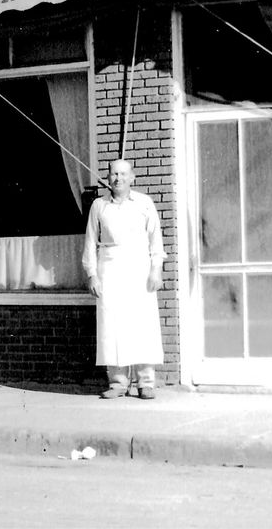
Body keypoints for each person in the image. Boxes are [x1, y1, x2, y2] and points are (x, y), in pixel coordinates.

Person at [82, 158, 165, 399]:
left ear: (132, 177)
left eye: (123, 174)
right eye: (113, 174)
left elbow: (155, 240)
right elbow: (90, 242)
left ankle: (145, 382)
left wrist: (155, 270)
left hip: (139, 268)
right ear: (108, 177)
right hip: (109, 268)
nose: (118, 178)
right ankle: (118, 382)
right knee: (112, 324)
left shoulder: (144, 203)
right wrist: (92, 274)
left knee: (141, 322)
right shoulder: (99, 205)